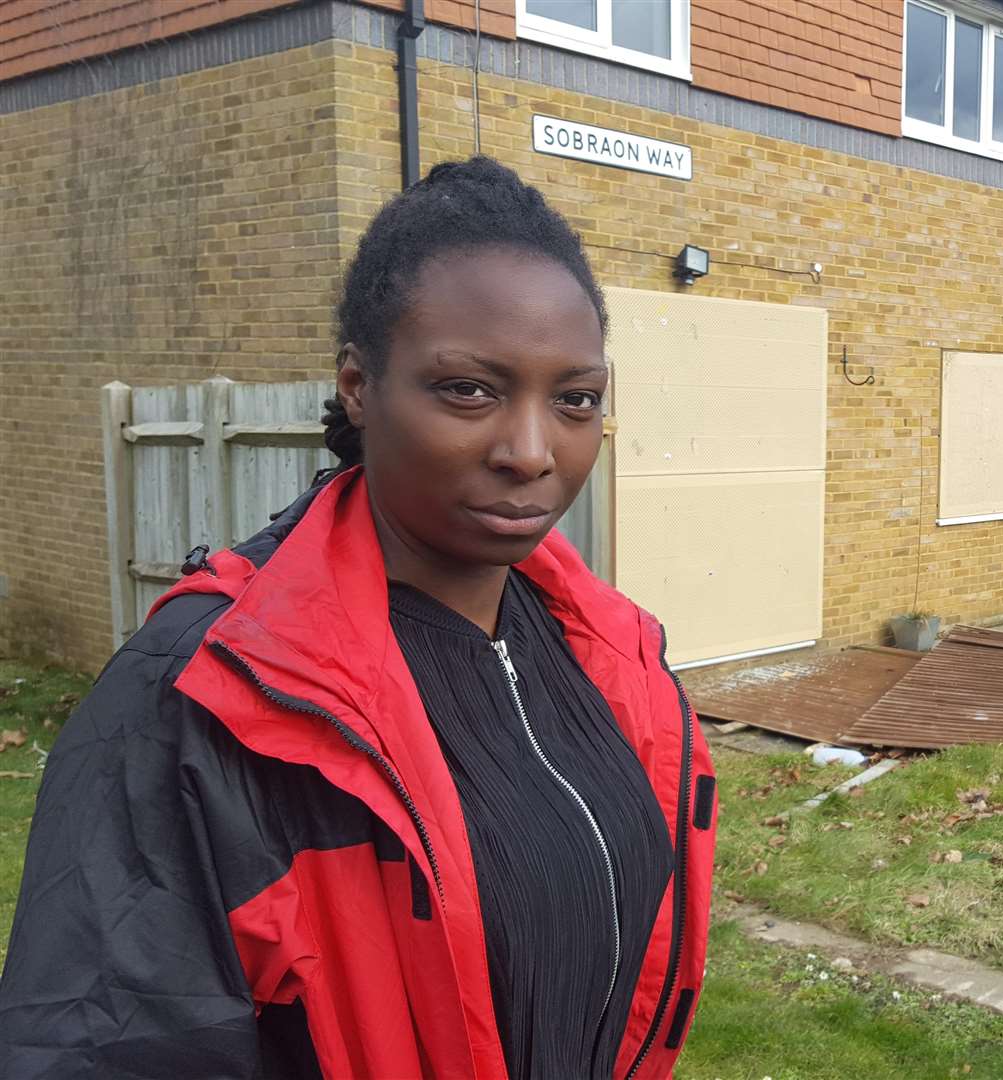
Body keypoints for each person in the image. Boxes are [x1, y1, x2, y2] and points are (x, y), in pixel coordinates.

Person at [0, 157, 716, 1080]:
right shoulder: (199, 693)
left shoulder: (607, 652)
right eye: (469, 389)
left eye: (574, 400)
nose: (533, 452)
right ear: (357, 385)